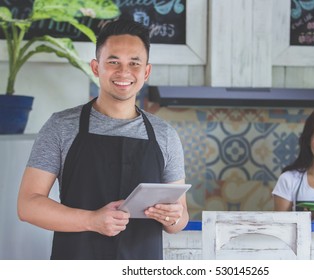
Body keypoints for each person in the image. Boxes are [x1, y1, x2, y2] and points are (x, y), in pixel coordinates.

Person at [17, 19, 188, 259]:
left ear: (146, 71)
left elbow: (180, 219)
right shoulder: (61, 126)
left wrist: (172, 217)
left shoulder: (166, 135)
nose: (124, 72)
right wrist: (92, 220)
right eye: (113, 61)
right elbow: (28, 205)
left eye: (134, 63)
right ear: (96, 68)